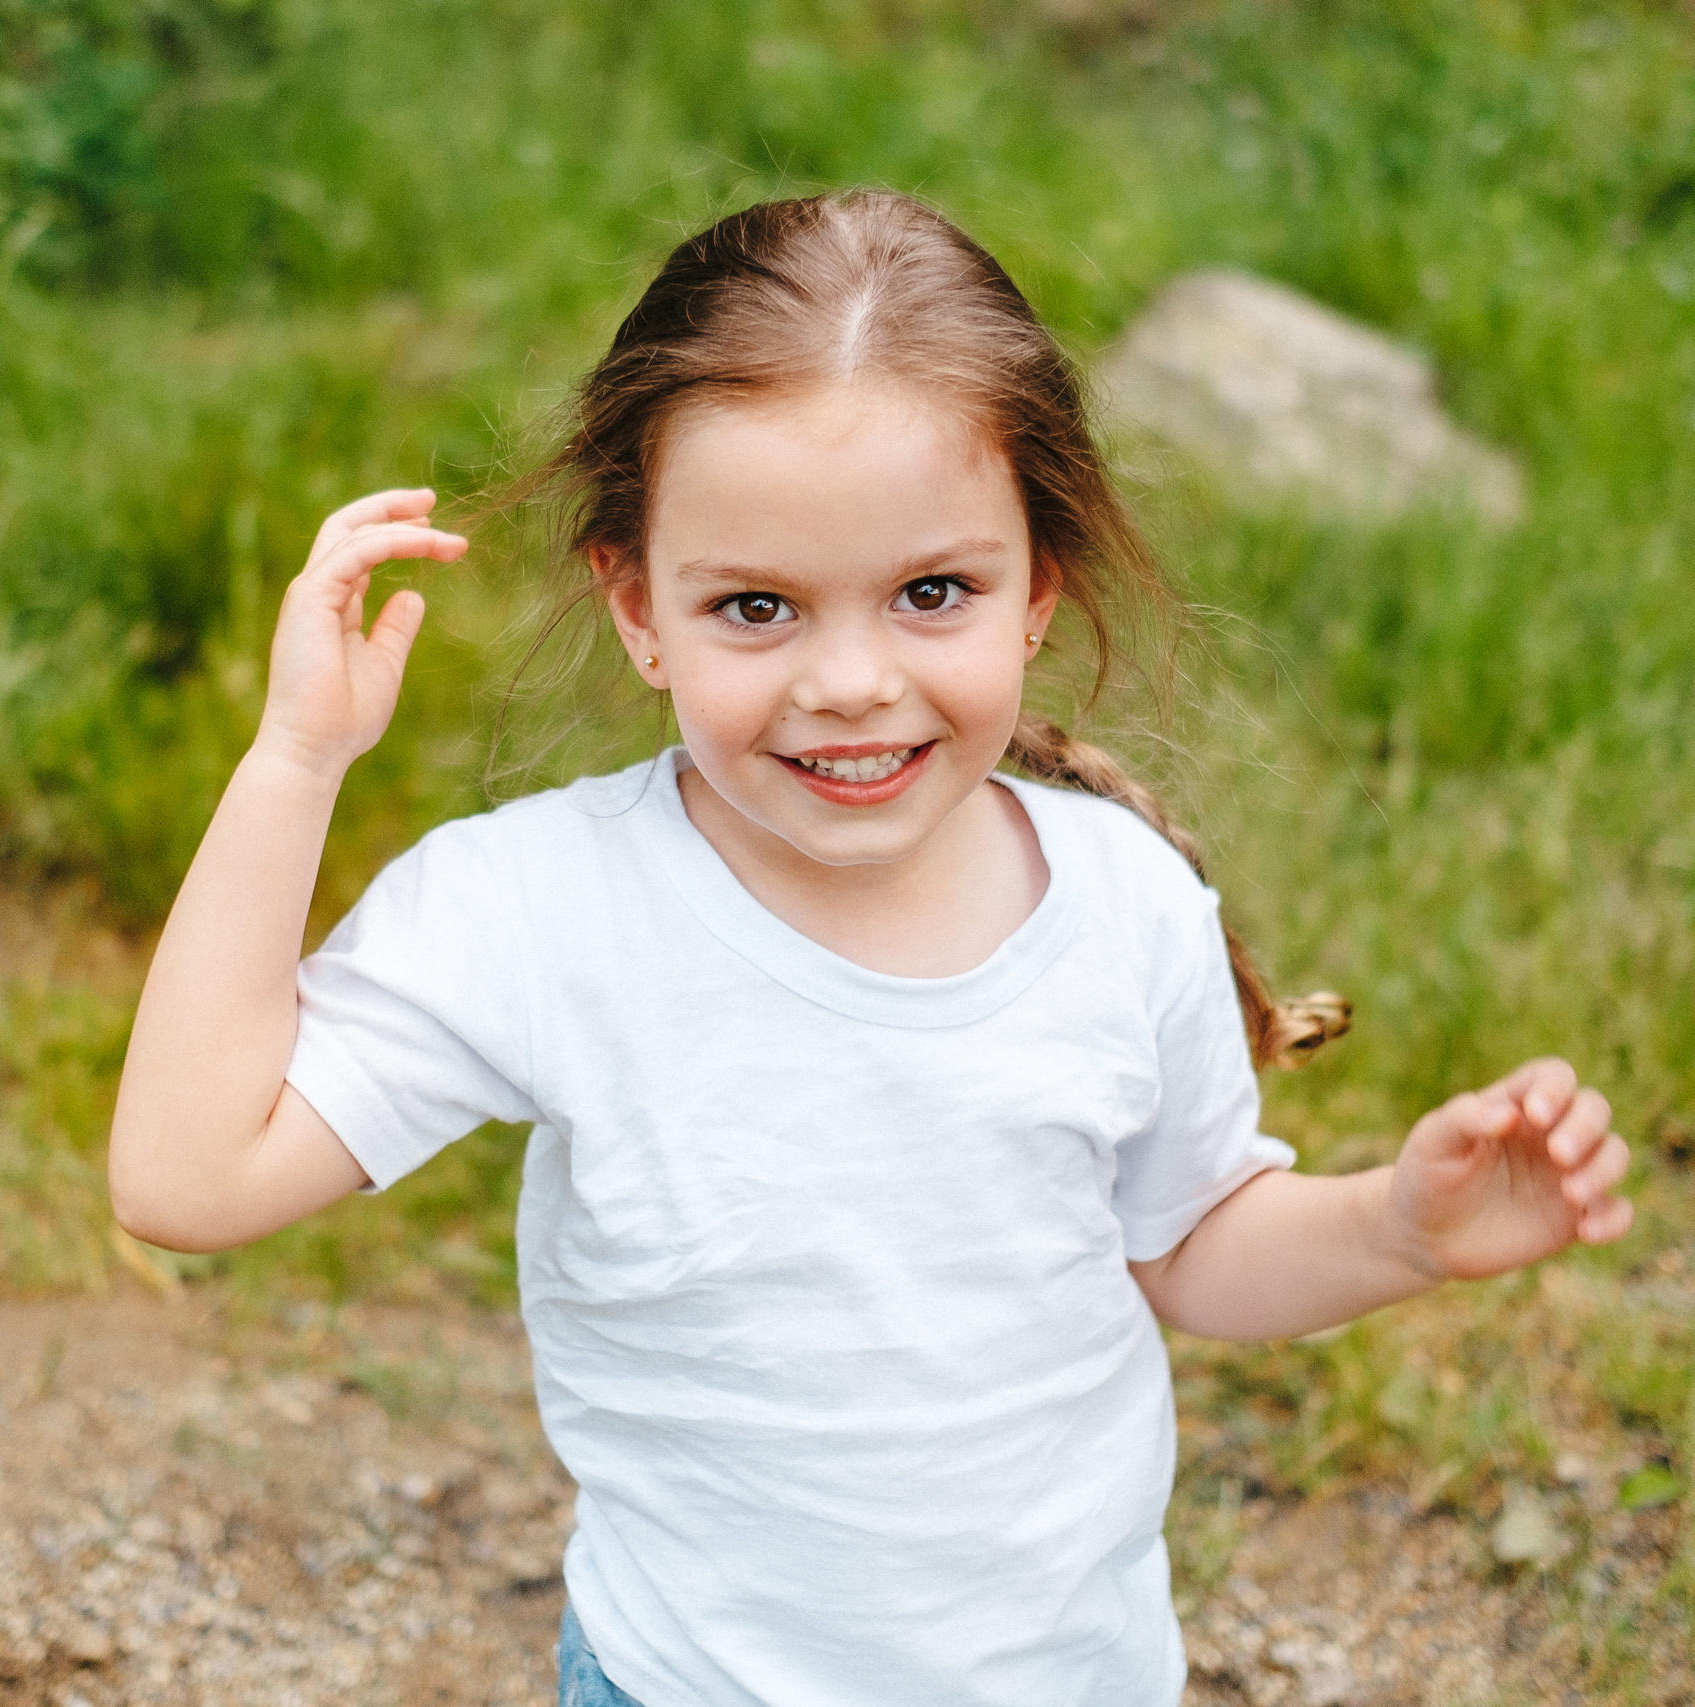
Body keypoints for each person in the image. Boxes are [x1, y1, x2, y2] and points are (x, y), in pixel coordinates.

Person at [105, 189, 1635, 1707]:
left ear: (1039, 589)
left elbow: (1187, 1244)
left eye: (930, 594)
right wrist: (294, 764)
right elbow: (187, 1178)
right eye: (757, 607)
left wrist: (1400, 1232)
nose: (850, 681)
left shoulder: (1120, 905)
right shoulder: (540, 912)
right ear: (639, 607)